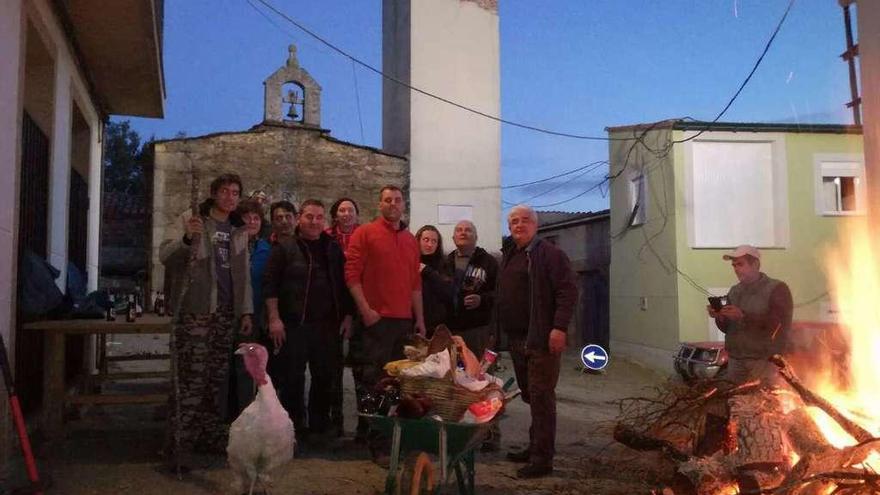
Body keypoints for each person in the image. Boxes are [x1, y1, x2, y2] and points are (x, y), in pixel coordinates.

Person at [159, 173, 254, 461]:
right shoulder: (193, 218)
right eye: (224, 191)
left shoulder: (239, 228)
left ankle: (208, 437)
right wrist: (188, 238)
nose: (230, 197)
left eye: (235, 192)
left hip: (226, 314)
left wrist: (246, 310)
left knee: (216, 381)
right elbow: (166, 255)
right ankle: (179, 446)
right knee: (191, 381)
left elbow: (244, 273)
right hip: (196, 312)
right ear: (213, 194)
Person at [344, 185, 425, 464]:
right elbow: (351, 274)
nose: (393, 204)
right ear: (379, 204)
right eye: (387, 200)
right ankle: (376, 444)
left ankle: (391, 438)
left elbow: (415, 284)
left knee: (397, 385)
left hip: (403, 323)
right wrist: (365, 310)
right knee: (372, 384)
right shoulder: (364, 233)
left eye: (397, 200)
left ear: (404, 205)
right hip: (375, 322)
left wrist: (420, 320)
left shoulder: (411, 240)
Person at [263, 199, 354, 442]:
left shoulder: (332, 248)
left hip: (327, 325)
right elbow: (270, 286)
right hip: (294, 325)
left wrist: (347, 315)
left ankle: (319, 425)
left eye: (319, 217)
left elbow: (343, 285)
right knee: (292, 377)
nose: (314, 222)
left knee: (324, 377)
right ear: (300, 218)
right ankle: (294, 426)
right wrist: (274, 319)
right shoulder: (284, 248)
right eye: (309, 217)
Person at [497, 204, 576, 479]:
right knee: (532, 396)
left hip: (541, 339)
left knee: (542, 398)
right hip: (518, 340)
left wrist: (559, 327)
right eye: (514, 222)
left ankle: (543, 460)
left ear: (536, 224)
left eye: (525, 220)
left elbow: (567, 291)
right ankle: (535, 447)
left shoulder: (550, 255)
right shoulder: (512, 254)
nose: (519, 225)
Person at [445, 220, 500, 451]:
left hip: (478, 329)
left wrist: (482, 299)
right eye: (459, 230)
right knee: (455, 381)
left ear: (476, 237)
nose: (463, 233)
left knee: (483, 381)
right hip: (451, 330)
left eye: (468, 230)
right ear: (454, 237)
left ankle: (490, 434)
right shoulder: (445, 262)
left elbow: (500, 292)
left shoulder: (488, 262)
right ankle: (458, 430)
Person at [708, 245, 793, 387]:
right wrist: (720, 317)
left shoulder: (777, 289)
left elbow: (776, 325)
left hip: (764, 361)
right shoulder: (735, 291)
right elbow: (728, 328)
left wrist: (743, 316)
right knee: (736, 403)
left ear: (756, 264)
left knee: (764, 404)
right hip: (736, 360)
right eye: (734, 265)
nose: (736, 269)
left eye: (740, 264)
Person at [230, 199, 271, 416]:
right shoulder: (231, 242)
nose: (253, 222)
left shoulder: (266, 249)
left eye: (257, 218)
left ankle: (245, 414)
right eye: (248, 217)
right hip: (229, 311)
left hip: (254, 315)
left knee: (247, 368)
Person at [326, 197, 361, 437]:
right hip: (333, 309)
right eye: (342, 210)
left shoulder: (366, 236)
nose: (346, 214)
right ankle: (335, 420)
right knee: (333, 369)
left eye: (350, 210)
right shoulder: (326, 238)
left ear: (357, 215)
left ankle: (367, 424)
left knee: (363, 370)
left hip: (362, 307)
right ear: (335, 215)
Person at [415, 225, 453, 336]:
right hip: (412, 321)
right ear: (418, 241)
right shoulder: (409, 261)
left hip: (437, 324)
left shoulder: (445, 265)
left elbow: (448, 293)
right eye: (426, 240)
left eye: (434, 241)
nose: (429, 244)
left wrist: (428, 272)